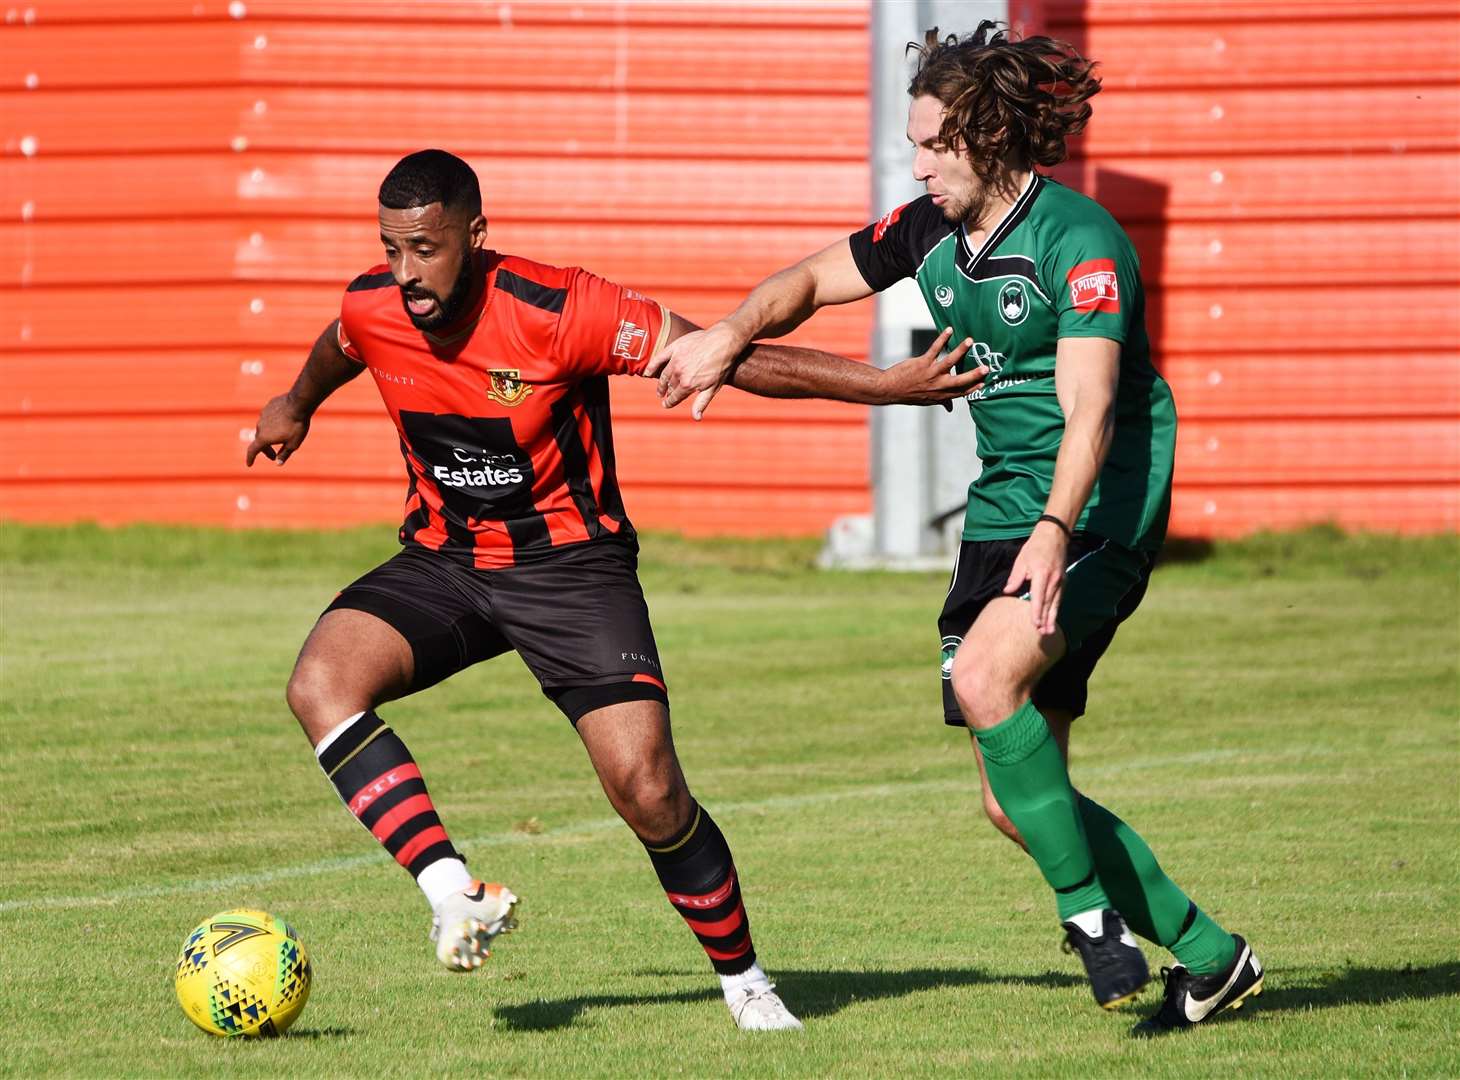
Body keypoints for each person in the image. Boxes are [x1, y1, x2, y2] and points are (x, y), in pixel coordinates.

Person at [245, 148, 982, 1032]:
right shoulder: (375, 302)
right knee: (319, 685)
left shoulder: (564, 308)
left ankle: (746, 984)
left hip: (571, 570)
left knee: (647, 788)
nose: (405, 274)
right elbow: (342, 343)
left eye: (426, 250)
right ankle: (455, 892)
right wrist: (295, 403)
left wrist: (885, 387)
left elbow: (722, 354)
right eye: (391, 248)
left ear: (475, 238)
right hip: (446, 560)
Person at [648, 23, 1263, 1036]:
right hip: (1000, 506)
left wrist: (1056, 529)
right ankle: (1210, 956)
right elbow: (803, 282)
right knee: (1010, 798)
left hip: (1097, 499)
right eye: (913, 142)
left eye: (934, 143)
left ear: (990, 138)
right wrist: (726, 334)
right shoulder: (926, 233)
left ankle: (1090, 923)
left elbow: (1092, 408)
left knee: (984, 681)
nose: (917, 160)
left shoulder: (1079, 241)